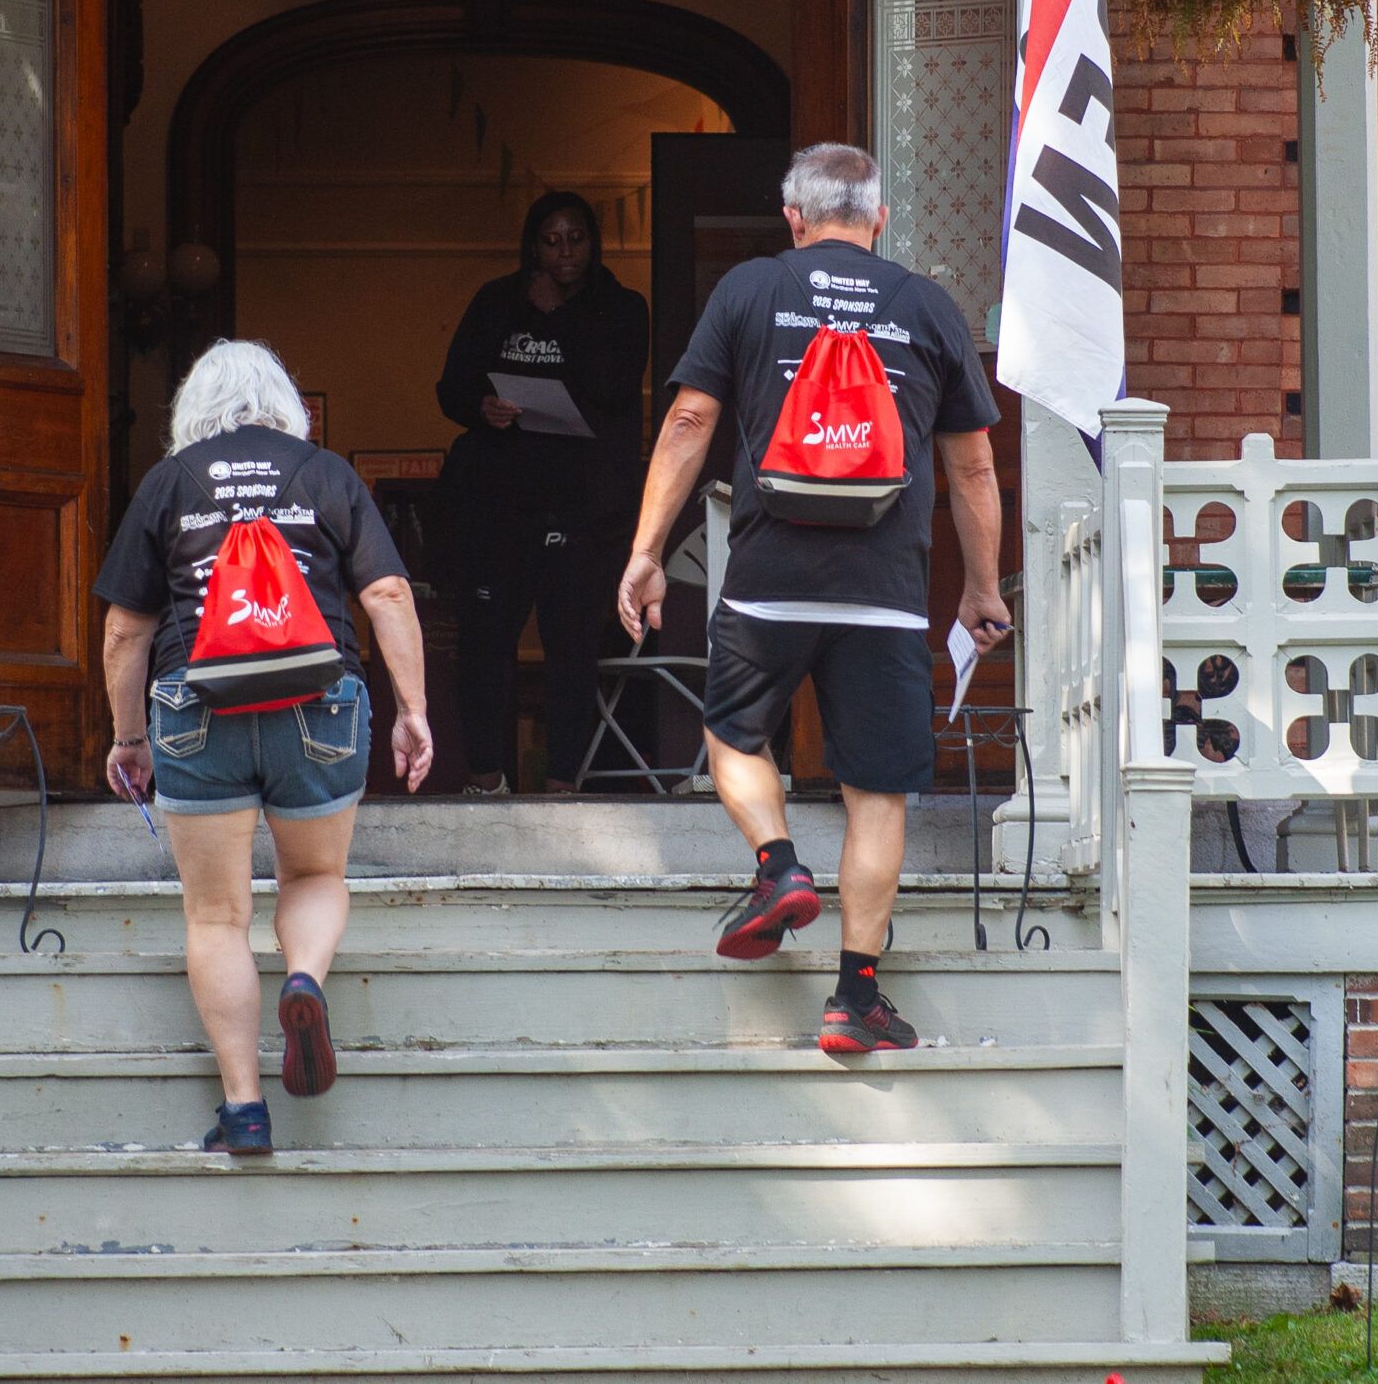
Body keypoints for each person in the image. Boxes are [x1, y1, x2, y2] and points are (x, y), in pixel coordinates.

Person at [618, 143, 1011, 1053]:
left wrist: (644, 551)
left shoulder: (751, 290)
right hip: (885, 591)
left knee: (732, 733)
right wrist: (980, 590)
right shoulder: (926, 305)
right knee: (878, 792)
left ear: (792, 219)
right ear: (879, 220)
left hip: (768, 579)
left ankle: (777, 862)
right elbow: (976, 464)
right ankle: (854, 996)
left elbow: (687, 421)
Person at [96, 341, 434, 1154]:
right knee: (314, 873)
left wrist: (130, 737)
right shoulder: (323, 472)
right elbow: (386, 591)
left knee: (217, 914)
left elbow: (123, 630)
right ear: (285, 402)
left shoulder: (169, 482)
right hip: (316, 704)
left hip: (196, 706)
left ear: (192, 409)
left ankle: (245, 1108)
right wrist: (411, 708)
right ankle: (306, 977)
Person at [436, 191, 650, 793]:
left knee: (571, 650)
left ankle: (563, 785)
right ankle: (484, 778)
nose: (564, 253)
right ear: (532, 245)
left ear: (593, 242)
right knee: (484, 645)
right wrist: (483, 408)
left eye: (575, 239)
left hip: (581, 509)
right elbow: (450, 388)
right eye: (551, 240)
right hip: (497, 504)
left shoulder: (622, 307)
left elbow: (612, 384)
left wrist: (559, 316)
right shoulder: (496, 301)